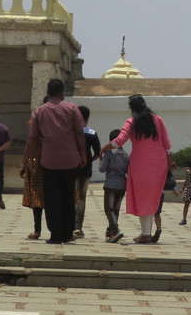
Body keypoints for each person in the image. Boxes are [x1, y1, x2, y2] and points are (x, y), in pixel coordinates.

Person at [99, 94, 173, 245]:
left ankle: (146, 234)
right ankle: (146, 233)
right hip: (159, 165)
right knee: (152, 198)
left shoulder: (131, 122)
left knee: (143, 198)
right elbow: (168, 146)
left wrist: (103, 148)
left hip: (140, 165)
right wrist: (170, 166)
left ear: (132, 108)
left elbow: (119, 141)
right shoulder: (158, 120)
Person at [23, 79, 86, 244]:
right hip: (70, 160)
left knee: (52, 199)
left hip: (49, 161)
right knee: (68, 196)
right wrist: (83, 155)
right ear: (62, 92)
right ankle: (67, 232)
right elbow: (80, 133)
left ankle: (56, 234)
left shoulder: (39, 111)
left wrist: (27, 161)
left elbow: (32, 139)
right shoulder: (71, 108)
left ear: (48, 92)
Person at [20, 97, 47, 240]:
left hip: (36, 162)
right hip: (55, 160)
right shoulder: (61, 120)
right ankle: (58, 229)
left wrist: (25, 164)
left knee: (37, 196)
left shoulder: (36, 120)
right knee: (52, 195)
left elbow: (30, 143)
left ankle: (37, 230)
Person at [73, 105, 100, 238]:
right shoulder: (92, 133)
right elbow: (98, 152)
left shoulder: (70, 131)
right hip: (86, 169)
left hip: (72, 168)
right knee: (82, 197)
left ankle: (72, 225)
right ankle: (79, 227)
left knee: (73, 196)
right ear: (87, 118)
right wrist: (89, 160)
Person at [99, 127, 129, 243]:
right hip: (122, 185)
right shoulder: (126, 155)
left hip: (111, 184)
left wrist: (101, 161)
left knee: (108, 209)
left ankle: (115, 230)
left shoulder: (109, 153)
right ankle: (110, 233)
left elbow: (102, 169)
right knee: (115, 209)